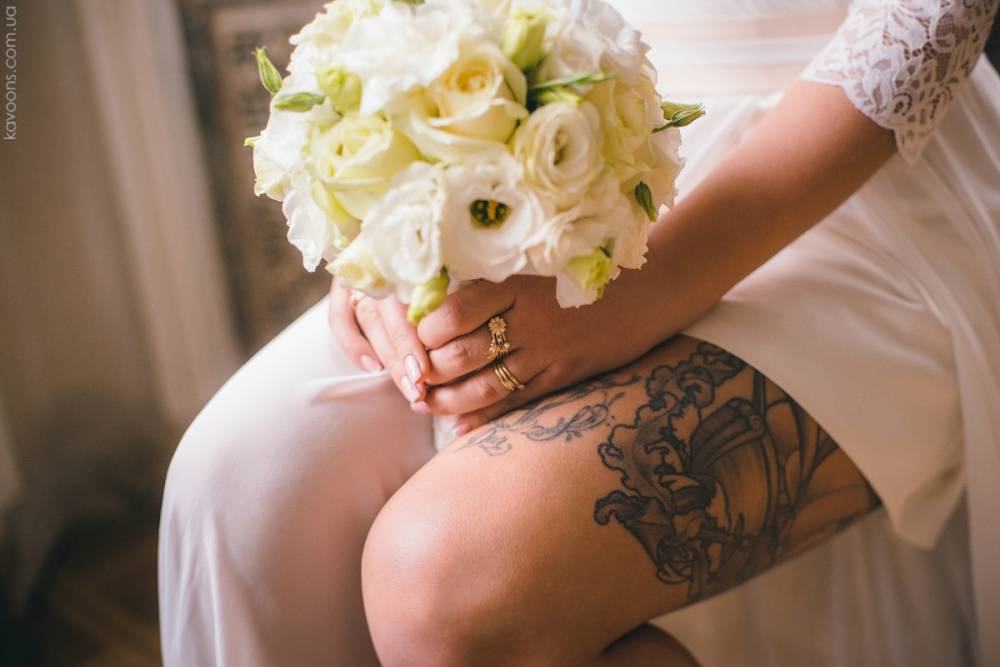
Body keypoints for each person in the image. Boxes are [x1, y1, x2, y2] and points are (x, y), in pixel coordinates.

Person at [159, 0, 1000, 665]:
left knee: (447, 583)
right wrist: (385, 203)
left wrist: (648, 290)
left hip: (852, 181)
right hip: (544, 135)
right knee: (235, 485)